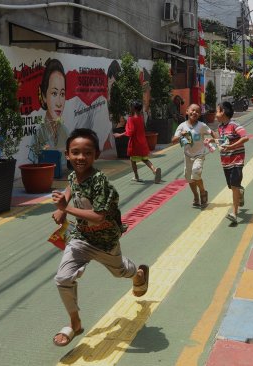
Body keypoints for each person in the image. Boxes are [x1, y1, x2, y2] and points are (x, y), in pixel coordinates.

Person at [51, 128, 149, 347]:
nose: (80, 157)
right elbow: (71, 185)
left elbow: (98, 216)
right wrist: (62, 207)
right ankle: (75, 323)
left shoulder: (99, 181)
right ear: (67, 154)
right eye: (75, 152)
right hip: (80, 238)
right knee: (63, 279)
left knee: (121, 272)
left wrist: (65, 208)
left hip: (105, 241)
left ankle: (139, 273)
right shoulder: (73, 174)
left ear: (96, 155)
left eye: (87, 153)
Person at [172, 103, 217, 208]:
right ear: (187, 111)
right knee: (189, 178)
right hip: (188, 156)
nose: (194, 112)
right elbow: (173, 140)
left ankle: (202, 192)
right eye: (192, 110)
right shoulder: (182, 126)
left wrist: (216, 140)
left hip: (199, 155)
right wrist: (181, 136)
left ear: (200, 114)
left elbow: (211, 132)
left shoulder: (202, 125)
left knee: (196, 173)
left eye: (197, 111)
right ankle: (196, 196)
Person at [214, 101, 248, 223]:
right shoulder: (220, 127)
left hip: (237, 160)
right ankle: (240, 191)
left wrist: (232, 147)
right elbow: (222, 142)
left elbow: (245, 137)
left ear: (223, 112)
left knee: (233, 186)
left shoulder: (234, 125)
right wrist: (212, 141)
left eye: (217, 111)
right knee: (232, 186)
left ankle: (234, 213)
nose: (215, 113)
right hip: (225, 161)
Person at [113, 101, 161, 183]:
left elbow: (130, 132)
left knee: (133, 160)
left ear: (134, 108)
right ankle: (154, 169)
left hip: (135, 143)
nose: (130, 108)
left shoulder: (131, 119)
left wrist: (119, 135)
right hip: (143, 142)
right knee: (145, 159)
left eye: (131, 106)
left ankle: (136, 176)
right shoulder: (141, 117)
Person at [36, 58, 70, 171]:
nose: (59, 103)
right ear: (44, 96)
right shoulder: (39, 132)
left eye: (62, 94)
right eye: (54, 93)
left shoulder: (65, 131)